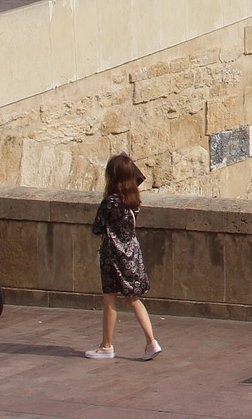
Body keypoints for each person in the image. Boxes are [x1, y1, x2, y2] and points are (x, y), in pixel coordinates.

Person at [85, 152, 161, 362]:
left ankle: (106, 346)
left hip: (112, 255)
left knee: (110, 298)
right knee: (133, 298)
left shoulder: (110, 203)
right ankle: (151, 341)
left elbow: (97, 227)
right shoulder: (134, 203)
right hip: (132, 254)